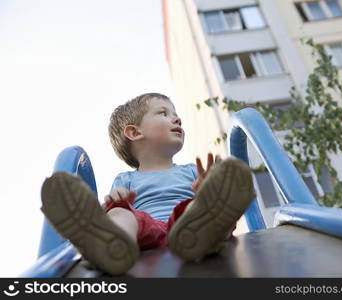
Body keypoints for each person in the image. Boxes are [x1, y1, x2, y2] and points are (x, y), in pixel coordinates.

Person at [41, 93, 254, 276]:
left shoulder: (191, 170)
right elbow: (117, 206)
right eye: (164, 113)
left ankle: (207, 231)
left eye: (176, 115)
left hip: (186, 225)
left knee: (196, 206)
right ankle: (112, 246)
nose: (177, 119)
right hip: (145, 233)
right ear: (135, 133)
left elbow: (198, 199)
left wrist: (207, 190)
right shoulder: (126, 179)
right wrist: (117, 199)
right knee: (121, 214)